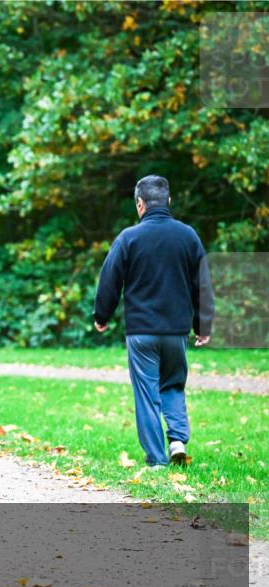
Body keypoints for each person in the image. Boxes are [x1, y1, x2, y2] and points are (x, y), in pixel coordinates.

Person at [94, 175, 214, 468]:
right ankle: (177, 441)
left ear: (140, 204)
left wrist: (102, 315)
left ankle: (157, 460)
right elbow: (203, 284)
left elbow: (109, 279)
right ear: (169, 202)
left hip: (141, 332)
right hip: (176, 331)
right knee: (173, 385)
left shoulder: (129, 238)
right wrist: (203, 325)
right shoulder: (188, 236)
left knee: (146, 393)